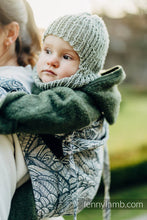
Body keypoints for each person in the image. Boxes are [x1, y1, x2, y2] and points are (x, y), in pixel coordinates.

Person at [0, 11, 126, 220]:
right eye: (47, 50)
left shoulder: (79, 102)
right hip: (58, 168)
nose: (52, 61)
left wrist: (4, 108)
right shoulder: (47, 76)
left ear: (86, 68)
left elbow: (43, 110)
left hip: (75, 180)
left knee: (21, 208)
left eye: (66, 57)